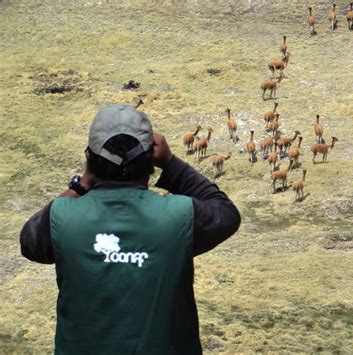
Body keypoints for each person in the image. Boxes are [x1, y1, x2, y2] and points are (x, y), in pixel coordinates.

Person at [20, 104, 241, 354]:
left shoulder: (62, 217)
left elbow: (29, 241)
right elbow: (226, 214)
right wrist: (170, 162)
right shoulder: (180, 216)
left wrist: (82, 183)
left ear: (89, 158)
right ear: (151, 162)